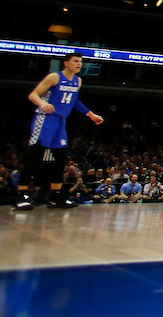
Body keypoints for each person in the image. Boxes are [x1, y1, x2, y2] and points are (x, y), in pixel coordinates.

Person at [14, 52, 104, 210]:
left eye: (81, 62)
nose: (79, 64)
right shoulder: (54, 77)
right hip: (45, 119)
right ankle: (21, 195)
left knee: (61, 158)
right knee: (34, 157)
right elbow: (33, 95)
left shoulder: (77, 81)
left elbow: (73, 100)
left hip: (61, 121)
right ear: (66, 63)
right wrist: (43, 104)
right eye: (76, 61)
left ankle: (56, 196)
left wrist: (90, 115)